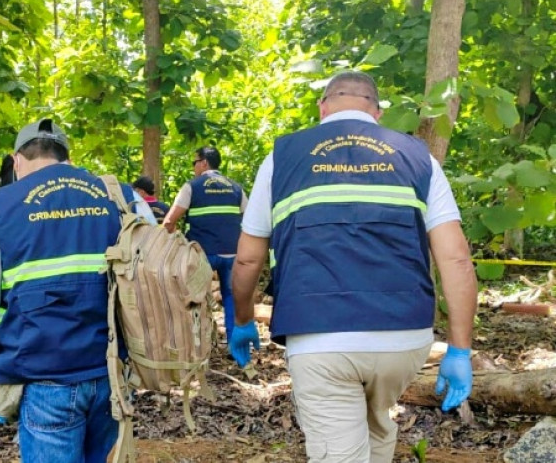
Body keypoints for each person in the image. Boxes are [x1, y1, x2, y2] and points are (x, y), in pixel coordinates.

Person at [229, 71, 478, 463]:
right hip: (404, 338)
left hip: (319, 337)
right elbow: (457, 259)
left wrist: (243, 318)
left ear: (322, 107)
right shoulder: (418, 157)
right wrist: (460, 350)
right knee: (377, 426)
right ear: (376, 112)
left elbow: (247, 258)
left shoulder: (283, 157)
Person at [0, 118, 121, 462]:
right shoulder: (118, 200)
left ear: (16, 161)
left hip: (44, 379)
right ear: (66, 159)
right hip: (111, 374)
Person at [162, 146, 247, 339]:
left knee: (196, 298)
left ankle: (200, 343)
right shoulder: (236, 188)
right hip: (232, 253)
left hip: (202, 254)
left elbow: (169, 222)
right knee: (231, 298)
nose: (194, 167)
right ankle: (235, 345)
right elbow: (250, 220)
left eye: (195, 163)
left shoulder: (192, 186)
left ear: (204, 163)